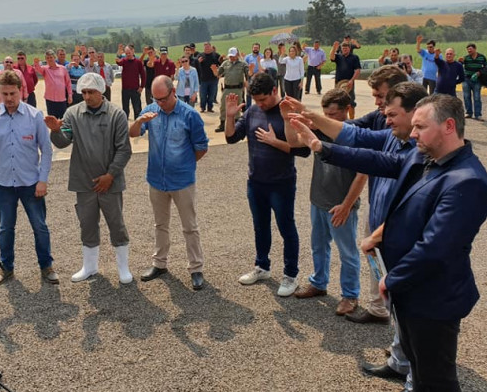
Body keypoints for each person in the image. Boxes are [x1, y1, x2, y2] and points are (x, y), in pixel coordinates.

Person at [290, 94, 487, 392]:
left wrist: (390, 280)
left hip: (434, 297)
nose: (412, 134)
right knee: (419, 365)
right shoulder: (427, 156)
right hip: (410, 292)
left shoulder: (467, 181)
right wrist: (322, 148)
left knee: (439, 378)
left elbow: (435, 249)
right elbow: (377, 160)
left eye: (419, 126)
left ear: (448, 126)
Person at [225, 73, 310, 296]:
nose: (260, 104)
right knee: (260, 226)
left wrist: (275, 142)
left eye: (263, 99)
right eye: (256, 100)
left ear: (275, 91)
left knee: (286, 228)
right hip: (256, 182)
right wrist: (230, 117)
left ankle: (290, 275)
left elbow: (303, 150)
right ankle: (262, 266)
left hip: (281, 183)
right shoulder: (253, 111)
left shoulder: (288, 111)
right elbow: (231, 138)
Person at [47, 73, 134, 284]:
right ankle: (90, 266)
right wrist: (56, 131)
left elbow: (124, 149)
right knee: (86, 224)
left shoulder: (116, 115)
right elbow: (63, 142)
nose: (86, 96)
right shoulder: (73, 113)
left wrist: (110, 175)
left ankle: (123, 267)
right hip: (83, 181)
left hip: (110, 182)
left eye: (91, 92)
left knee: (116, 224)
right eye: (83, 92)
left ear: (101, 91)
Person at [290, 89, 367, 316]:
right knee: (318, 245)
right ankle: (319, 282)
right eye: (325, 113)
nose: (328, 118)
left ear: (347, 111)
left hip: (341, 205)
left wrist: (346, 205)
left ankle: (350, 295)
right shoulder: (320, 131)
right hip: (319, 200)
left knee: (348, 252)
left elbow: (363, 175)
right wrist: (292, 117)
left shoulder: (356, 136)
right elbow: (294, 141)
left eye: (333, 114)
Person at [129, 76, 209, 290]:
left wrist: (185, 164)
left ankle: (196, 268)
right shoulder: (150, 110)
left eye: (163, 99)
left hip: (182, 181)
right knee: (160, 224)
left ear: (173, 92)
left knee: (189, 226)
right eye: (156, 99)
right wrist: (139, 121)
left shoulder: (190, 115)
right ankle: (160, 263)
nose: (159, 104)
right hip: (156, 179)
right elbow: (132, 134)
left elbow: (201, 146)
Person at [0, 70, 58, 287]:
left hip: (31, 184)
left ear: (21, 91)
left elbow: (46, 150)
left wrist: (43, 179)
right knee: (5, 228)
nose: (9, 98)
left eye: (13, 93)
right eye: (4, 93)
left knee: (39, 226)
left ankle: (46, 266)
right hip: (4, 184)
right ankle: (6, 268)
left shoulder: (35, 116)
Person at [215, 47, 248, 132]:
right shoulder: (225, 63)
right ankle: (222, 124)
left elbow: (248, 74)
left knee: (236, 107)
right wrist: (215, 71)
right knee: (223, 106)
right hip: (227, 88)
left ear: (237, 55)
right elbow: (218, 73)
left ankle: (236, 124)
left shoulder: (243, 64)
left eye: (233, 56)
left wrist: (248, 81)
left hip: (237, 88)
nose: (231, 58)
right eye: (230, 56)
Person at [33, 50, 71, 118]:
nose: (50, 59)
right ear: (46, 59)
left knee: (63, 120)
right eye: (47, 58)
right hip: (50, 100)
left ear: (54, 58)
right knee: (52, 121)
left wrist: (70, 95)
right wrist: (36, 63)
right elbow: (38, 69)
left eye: (51, 57)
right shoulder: (45, 69)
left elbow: (68, 83)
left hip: (61, 99)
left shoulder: (63, 69)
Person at [329, 40, 361, 119]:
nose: (344, 50)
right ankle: (340, 120)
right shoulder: (339, 57)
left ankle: (351, 119)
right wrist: (334, 48)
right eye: (343, 48)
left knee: (350, 102)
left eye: (346, 48)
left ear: (349, 48)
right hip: (338, 83)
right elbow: (331, 57)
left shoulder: (354, 57)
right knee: (338, 102)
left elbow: (357, 71)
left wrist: (352, 80)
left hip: (349, 83)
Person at [115, 44, 146, 120]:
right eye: (126, 53)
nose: (128, 54)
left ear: (133, 51)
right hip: (125, 89)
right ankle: (124, 127)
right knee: (125, 109)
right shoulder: (124, 61)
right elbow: (117, 62)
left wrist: (142, 87)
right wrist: (119, 51)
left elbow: (143, 75)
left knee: (137, 109)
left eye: (129, 52)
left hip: (136, 89)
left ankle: (138, 127)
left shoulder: (138, 62)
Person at [461, 43, 487, 120]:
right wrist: (460, 61)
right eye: (468, 50)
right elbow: (459, 66)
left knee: (477, 97)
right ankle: (468, 112)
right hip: (466, 79)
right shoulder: (466, 58)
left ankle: (478, 114)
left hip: (477, 80)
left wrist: (479, 73)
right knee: (466, 96)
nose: (469, 51)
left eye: (470, 49)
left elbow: (486, 67)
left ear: (475, 49)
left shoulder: (481, 57)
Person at [196, 42, 220, 113]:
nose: (207, 48)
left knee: (211, 95)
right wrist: (198, 61)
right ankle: (202, 108)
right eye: (205, 47)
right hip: (203, 79)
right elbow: (195, 65)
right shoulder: (200, 55)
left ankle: (210, 108)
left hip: (213, 79)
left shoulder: (216, 55)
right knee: (203, 95)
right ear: (204, 48)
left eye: (208, 47)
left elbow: (221, 64)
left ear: (211, 47)